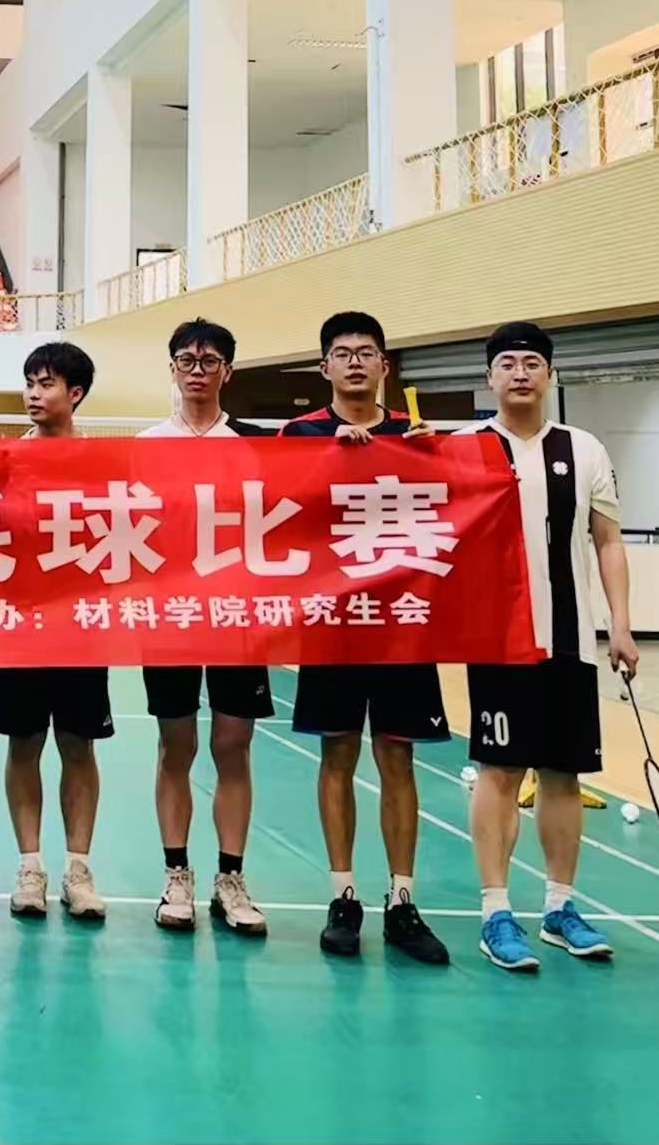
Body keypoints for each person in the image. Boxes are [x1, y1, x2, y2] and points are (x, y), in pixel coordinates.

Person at [462, 321, 636, 971]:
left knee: (564, 773)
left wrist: (620, 622)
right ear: (490, 377)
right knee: (500, 770)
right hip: (498, 639)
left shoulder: (583, 449)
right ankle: (495, 911)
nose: (520, 372)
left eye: (532, 362)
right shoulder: (464, 448)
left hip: (571, 640)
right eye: (507, 362)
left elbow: (608, 541)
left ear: (550, 374)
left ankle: (560, 907)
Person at [280, 312, 450, 964]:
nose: (355, 362)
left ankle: (402, 902)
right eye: (343, 353)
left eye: (367, 352)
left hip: (402, 622)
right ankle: (343, 897)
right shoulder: (299, 435)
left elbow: (454, 511)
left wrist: (440, 460)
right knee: (339, 754)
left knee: (398, 757)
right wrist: (328, 457)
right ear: (324, 366)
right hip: (334, 620)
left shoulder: (416, 436)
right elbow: (279, 513)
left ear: (384, 365)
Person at [136, 319, 273, 936]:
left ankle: (231, 879)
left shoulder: (256, 444)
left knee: (232, 745)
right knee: (176, 745)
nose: (197, 370)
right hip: (170, 615)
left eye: (209, 360)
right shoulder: (147, 445)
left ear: (228, 372)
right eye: (187, 360)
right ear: (172, 368)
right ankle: (177, 876)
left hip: (238, 614)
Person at [0, 342, 113, 920]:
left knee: (78, 744)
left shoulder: (105, 463)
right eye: (29, 383)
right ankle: (30, 866)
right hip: (21, 622)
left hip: (83, 624)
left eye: (46, 384)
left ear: (75, 393)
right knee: (24, 743)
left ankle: (78, 869)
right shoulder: (8, 460)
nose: (33, 395)